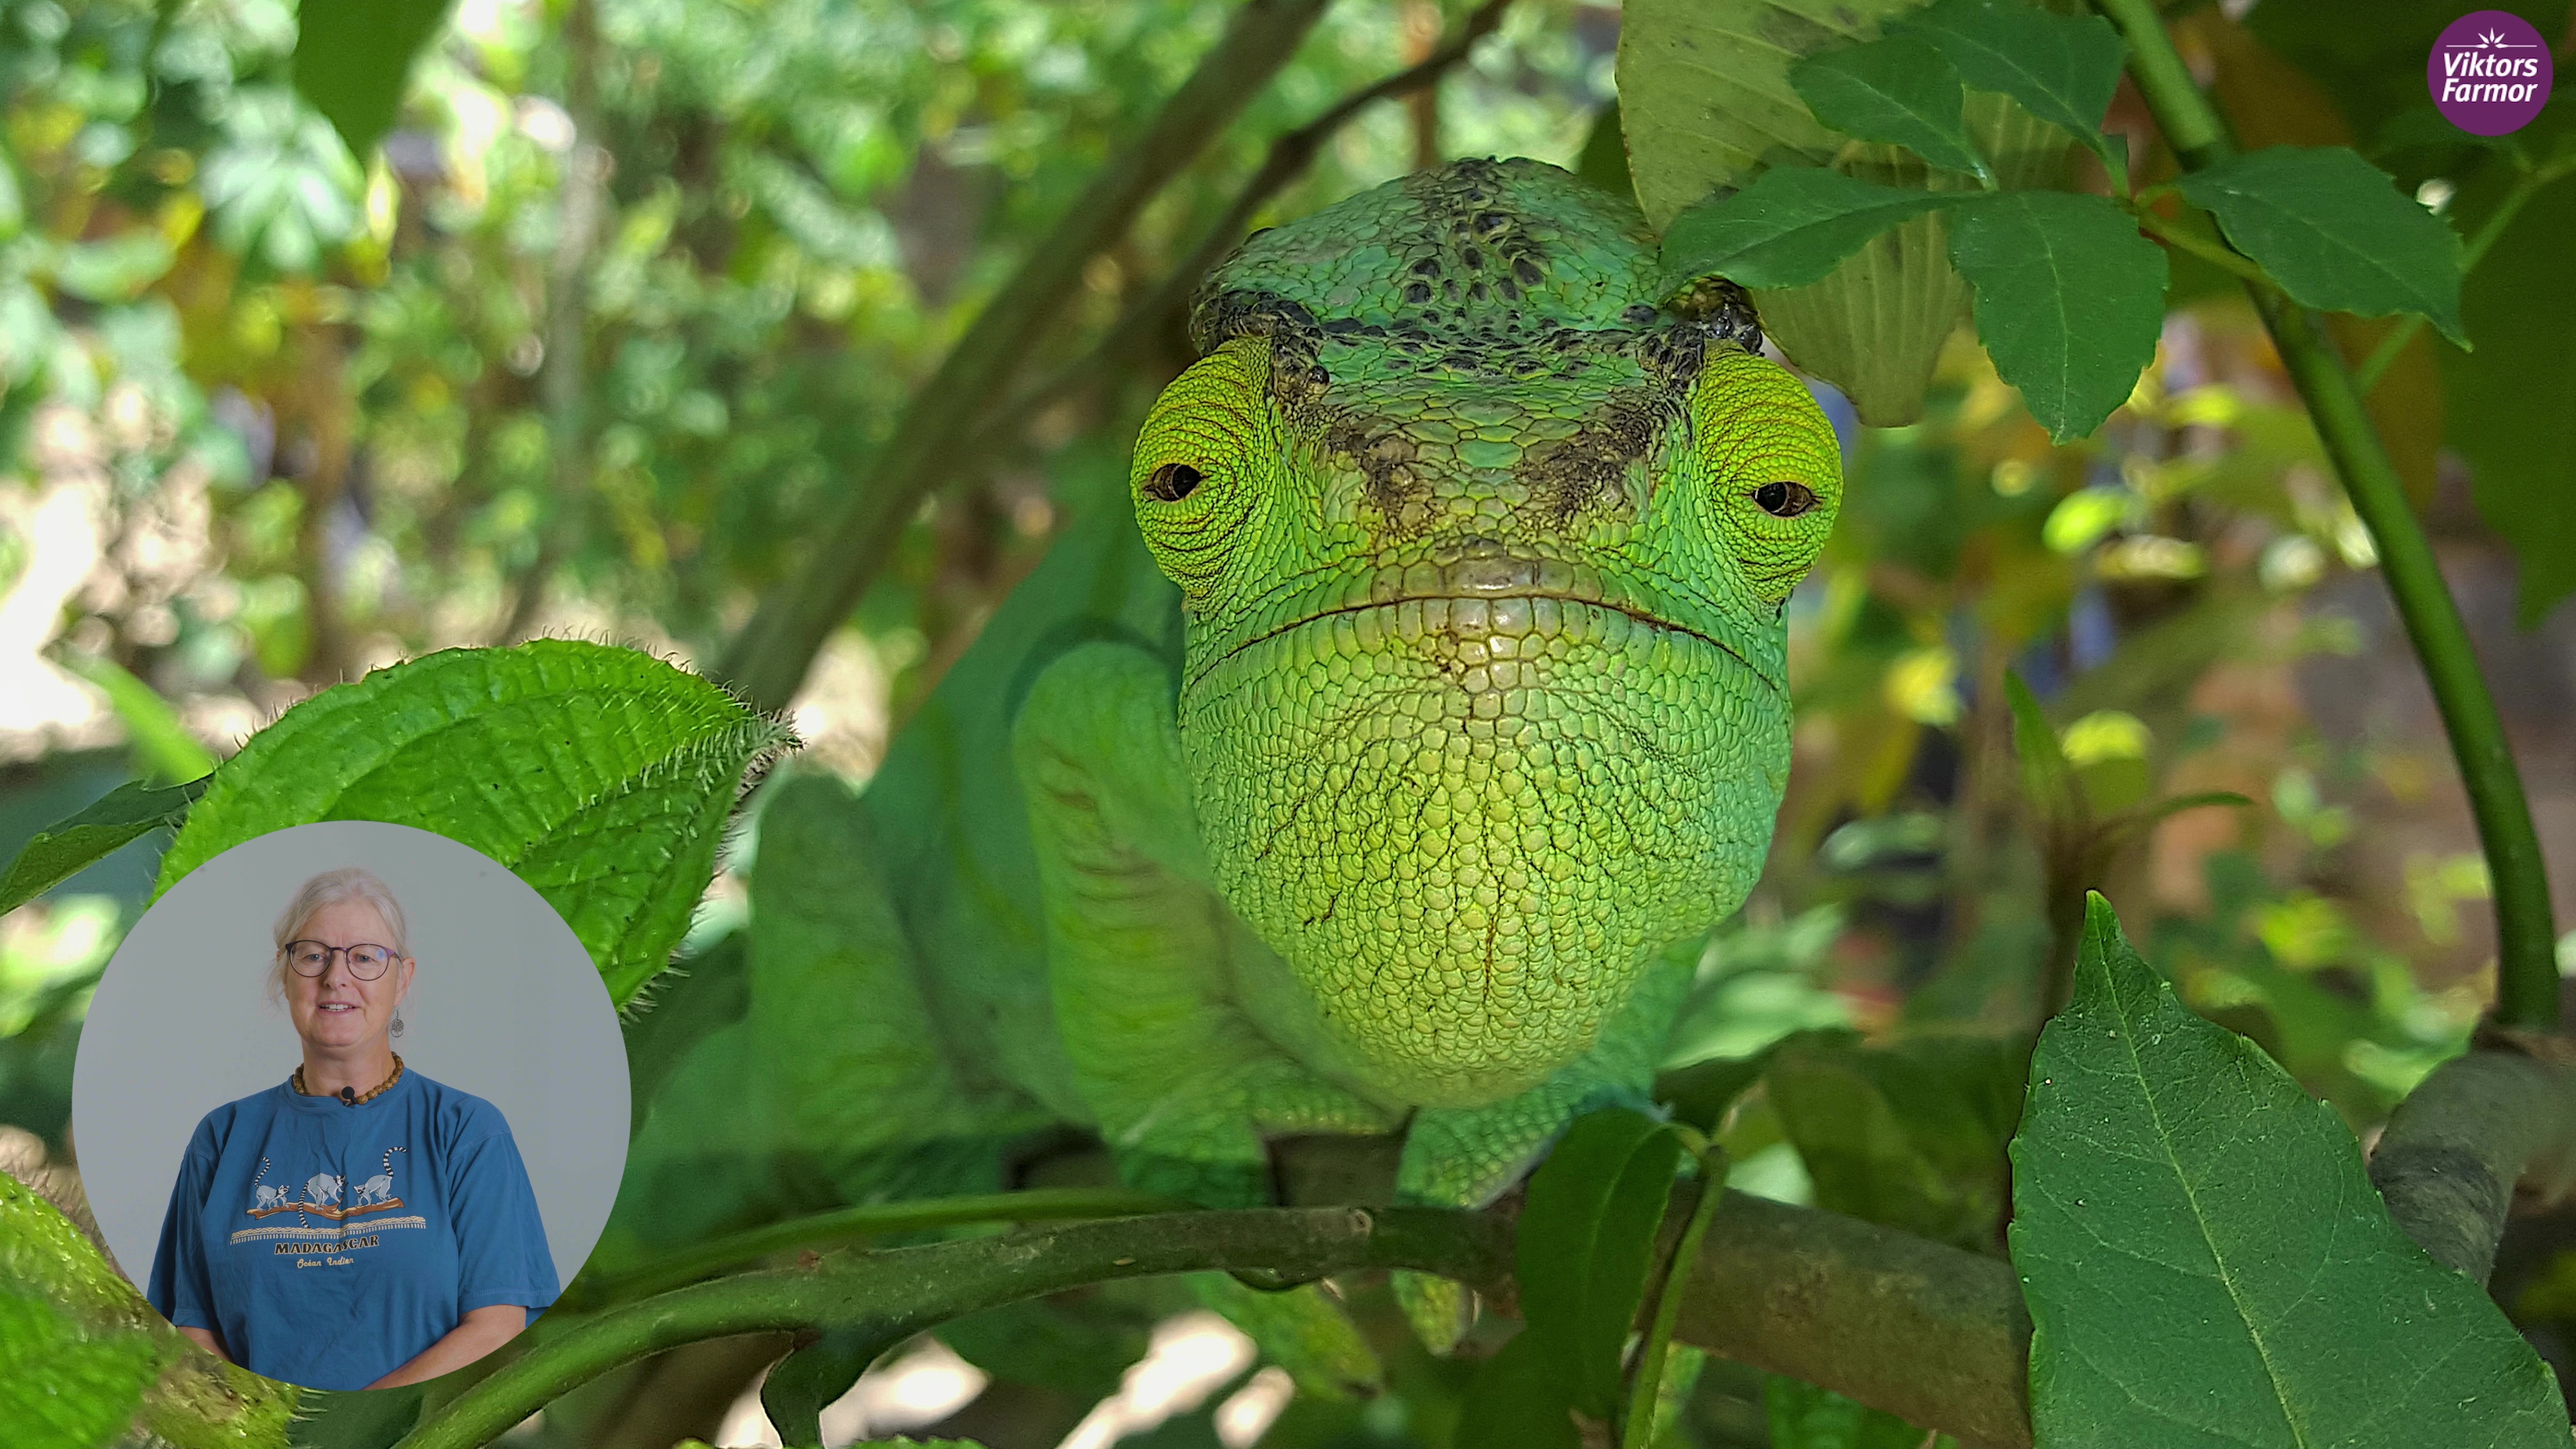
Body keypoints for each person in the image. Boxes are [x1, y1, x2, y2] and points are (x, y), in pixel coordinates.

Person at [146, 867, 559, 1389]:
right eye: (313, 956)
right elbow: (193, 1321)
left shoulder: (466, 1130)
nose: (336, 977)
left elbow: (498, 1323)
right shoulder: (222, 1137)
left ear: (403, 979)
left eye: (364, 958)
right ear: (286, 972)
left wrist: (351, 1427)